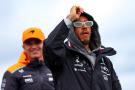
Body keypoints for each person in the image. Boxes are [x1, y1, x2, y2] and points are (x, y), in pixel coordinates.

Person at [43, 6, 122, 90]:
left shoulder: (105, 62)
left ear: (92, 29)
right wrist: (70, 19)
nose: (84, 27)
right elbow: (49, 46)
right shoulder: (63, 54)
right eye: (78, 24)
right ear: (72, 30)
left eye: (87, 23)